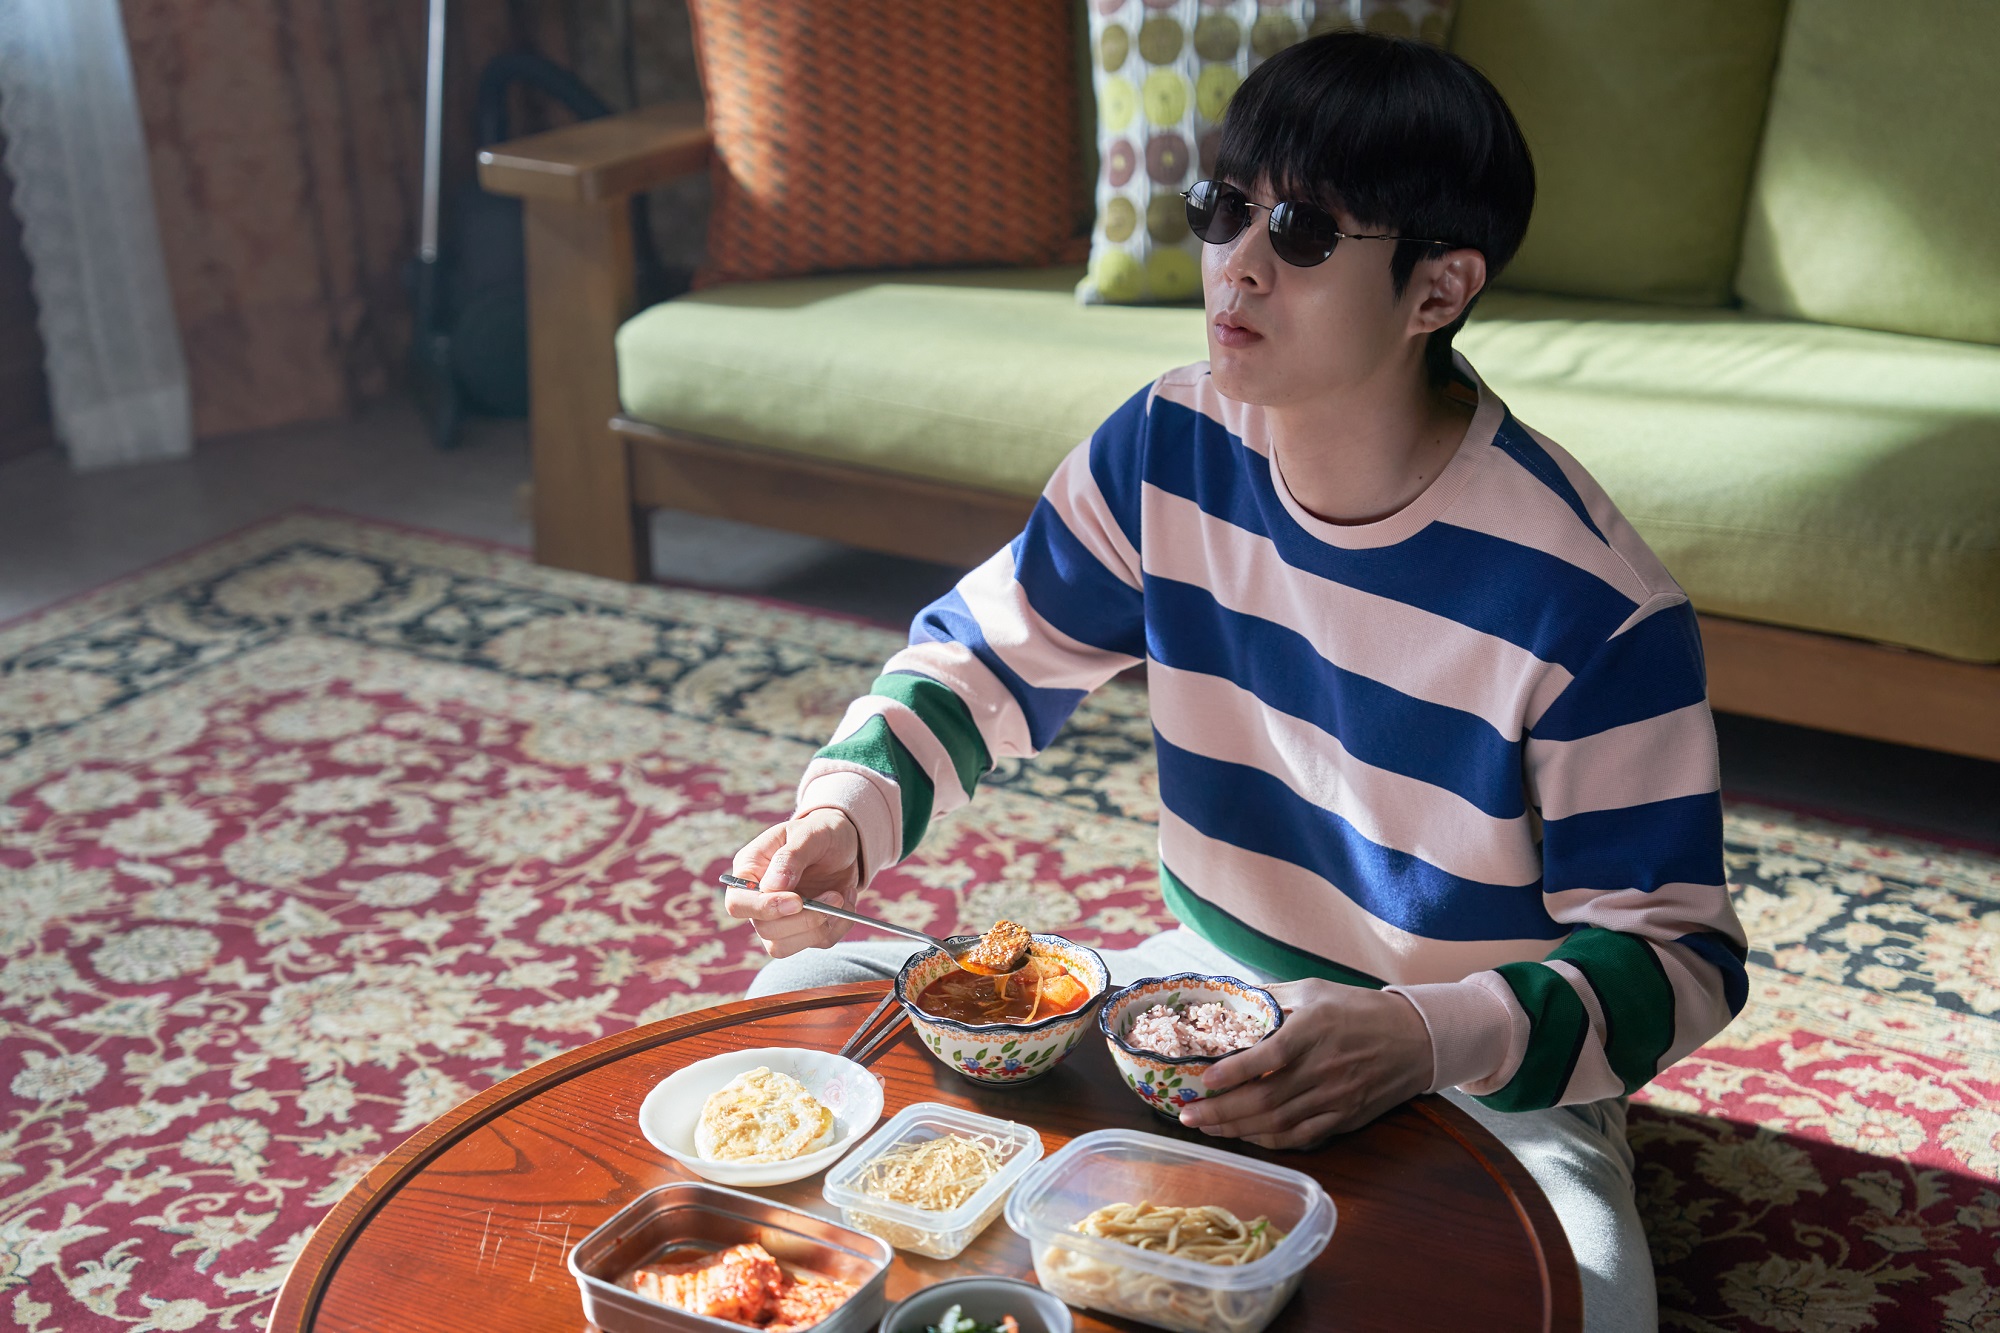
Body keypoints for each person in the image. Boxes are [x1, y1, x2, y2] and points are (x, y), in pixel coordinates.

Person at [722, 31, 1746, 1333]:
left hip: (1484, 1068)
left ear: (1437, 290)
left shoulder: (1592, 601)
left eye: (1302, 232)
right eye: (1224, 210)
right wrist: (844, 813)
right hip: (1201, 993)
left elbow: (1677, 956)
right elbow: (987, 651)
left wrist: (1424, 1036)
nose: (1238, 265)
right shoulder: (1171, 443)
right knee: (794, 1003)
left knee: (1587, 1304)